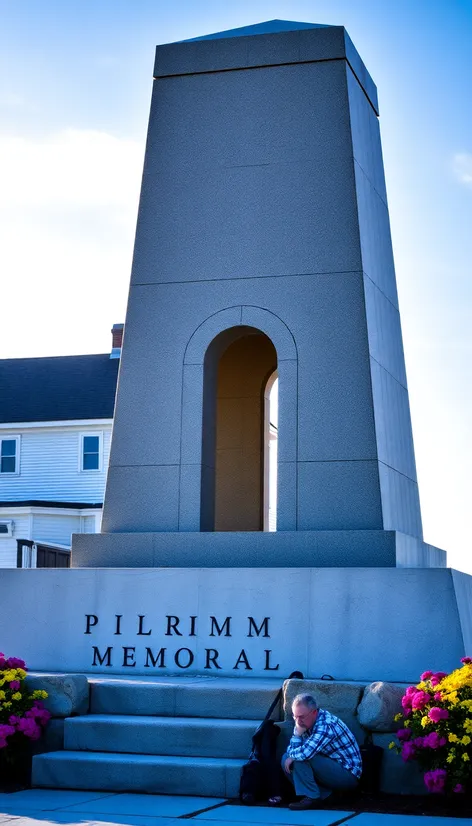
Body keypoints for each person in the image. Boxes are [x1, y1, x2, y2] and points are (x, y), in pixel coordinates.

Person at [281, 692, 362, 810]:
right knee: (286, 758)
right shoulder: (303, 722)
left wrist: (295, 744)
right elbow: (293, 750)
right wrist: (297, 735)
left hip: (347, 775)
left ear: (314, 712)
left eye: (301, 716)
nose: (297, 721)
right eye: (295, 716)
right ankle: (327, 796)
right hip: (327, 767)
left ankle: (312, 797)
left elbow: (304, 754)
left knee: (299, 758)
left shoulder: (325, 725)